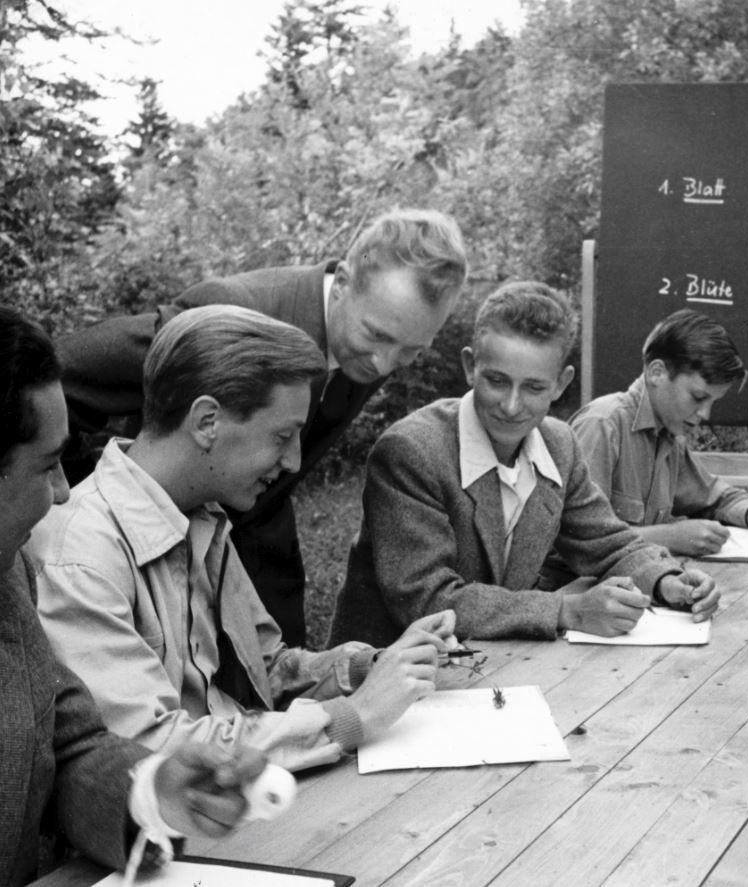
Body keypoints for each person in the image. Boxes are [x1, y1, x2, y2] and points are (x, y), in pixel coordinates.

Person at [29, 306, 453, 774]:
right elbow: (150, 748)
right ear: (207, 421)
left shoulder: (202, 516)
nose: (293, 461)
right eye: (282, 435)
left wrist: (366, 668)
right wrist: (354, 717)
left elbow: (266, 669)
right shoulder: (81, 555)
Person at [57, 209, 468, 646]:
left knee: (281, 673)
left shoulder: (382, 334)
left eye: (410, 352)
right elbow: (64, 375)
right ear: (344, 283)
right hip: (162, 540)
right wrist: (80, 493)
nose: (385, 364)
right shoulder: (232, 314)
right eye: (377, 336)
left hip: (257, 527)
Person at [0, 306, 267, 884]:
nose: (64, 493)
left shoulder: (9, 580)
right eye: (48, 466)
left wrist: (154, 790)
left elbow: (72, 748)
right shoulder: (73, 551)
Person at [330, 282, 719, 645]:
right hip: (386, 675)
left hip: (496, 665)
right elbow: (428, 600)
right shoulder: (411, 451)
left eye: (534, 387)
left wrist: (669, 581)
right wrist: (566, 610)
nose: (512, 406)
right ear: (470, 367)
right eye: (497, 381)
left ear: (561, 384)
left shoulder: (559, 444)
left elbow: (607, 544)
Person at [569, 309, 748, 557]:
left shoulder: (669, 433)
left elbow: (715, 498)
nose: (705, 414)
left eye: (713, 402)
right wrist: (669, 537)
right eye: (698, 397)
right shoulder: (602, 425)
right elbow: (581, 539)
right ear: (657, 373)